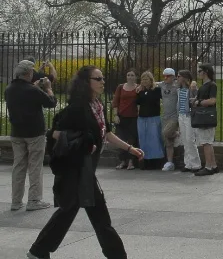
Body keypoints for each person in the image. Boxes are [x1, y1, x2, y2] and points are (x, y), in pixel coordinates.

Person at [27, 65, 143, 259]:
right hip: (75, 170)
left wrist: (130, 149)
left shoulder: (97, 106)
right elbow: (54, 133)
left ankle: (38, 251)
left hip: (86, 170)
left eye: (103, 78)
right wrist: (82, 141)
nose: (102, 82)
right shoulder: (76, 108)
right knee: (94, 217)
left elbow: (106, 133)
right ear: (85, 83)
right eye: (98, 79)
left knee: (74, 213)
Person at [4, 60, 58, 212]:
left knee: (18, 167)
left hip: (17, 133)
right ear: (28, 73)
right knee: (35, 166)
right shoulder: (32, 90)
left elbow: (23, 98)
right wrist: (48, 88)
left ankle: (16, 201)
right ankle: (34, 200)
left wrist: (35, 88)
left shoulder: (9, 89)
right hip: (34, 133)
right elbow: (51, 102)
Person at [192, 64, 218, 176]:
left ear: (206, 71)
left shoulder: (212, 85)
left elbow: (212, 100)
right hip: (203, 116)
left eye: (200, 71)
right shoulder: (203, 86)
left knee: (206, 142)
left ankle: (208, 167)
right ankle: (213, 165)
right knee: (208, 142)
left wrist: (199, 102)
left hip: (206, 116)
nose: (198, 73)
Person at [135, 71, 165, 168]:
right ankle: (145, 161)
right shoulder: (140, 91)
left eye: (146, 79)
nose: (144, 81)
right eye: (143, 79)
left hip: (153, 118)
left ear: (151, 80)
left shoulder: (156, 90)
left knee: (154, 139)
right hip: (142, 118)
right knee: (143, 140)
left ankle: (156, 161)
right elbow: (137, 103)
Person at [111, 70, 139, 170]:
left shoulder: (138, 87)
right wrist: (115, 115)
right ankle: (122, 161)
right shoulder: (120, 87)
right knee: (121, 139)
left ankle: (131, 161)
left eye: (132, 75)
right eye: (128, 75)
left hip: (133, 117)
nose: (130, 77)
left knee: (132, 140)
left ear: (136, 77)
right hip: (121, 116)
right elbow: (115, 102)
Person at [176, 70, 201, 172]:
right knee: (185, 140)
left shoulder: (191, 89)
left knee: (190, 139)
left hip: (189, 116)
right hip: (181, 115)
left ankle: (196, 164)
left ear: (185, 78)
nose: (177, 78)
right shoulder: (179, 89)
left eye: (179, 76)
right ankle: (188, 163)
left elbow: (197, 96)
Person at [158, 68, 180, 171]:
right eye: (164, 76)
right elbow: (151, 83)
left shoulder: (177, 86)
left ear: (173, 77)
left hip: (174, 116)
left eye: (167, 76)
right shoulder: (162, 85)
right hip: (165, 116)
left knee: (166, 133)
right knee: (168, 141)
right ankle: (170, 162)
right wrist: (140, 86)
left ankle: (177, 133)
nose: (165, 78)